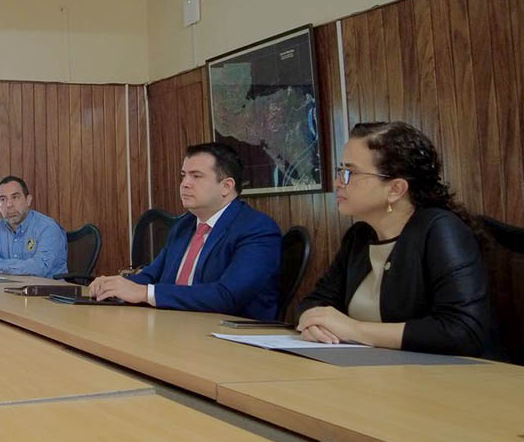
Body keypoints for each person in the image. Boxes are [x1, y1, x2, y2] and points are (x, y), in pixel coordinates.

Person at [296, 122, 491, 356]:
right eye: (341, 171)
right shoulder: (359, 236)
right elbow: (316, 301)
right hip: (374, 369)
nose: (338, 182)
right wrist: (314, 322)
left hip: (451, 374)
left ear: (395, 189)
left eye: (350, 173)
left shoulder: (441, 230)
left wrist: (355, 330)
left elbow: (463, 331)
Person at [89, 142, 281, 320]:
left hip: (229, 336)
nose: (184, 184)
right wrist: (114, 286)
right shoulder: (184, 225)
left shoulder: (257, 229)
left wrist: (145, 293)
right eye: (183, 175)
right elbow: (151, 276)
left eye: (196, 176)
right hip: (175, 326)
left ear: (226, 187)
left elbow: (228, 296)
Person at [0, 175, 67, 278]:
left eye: (15, 197)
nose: (9, 205)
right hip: (11, 286)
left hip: (48, 287)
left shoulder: (48, 227)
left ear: (28, 200)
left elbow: (40, 267)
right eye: (3, 199)